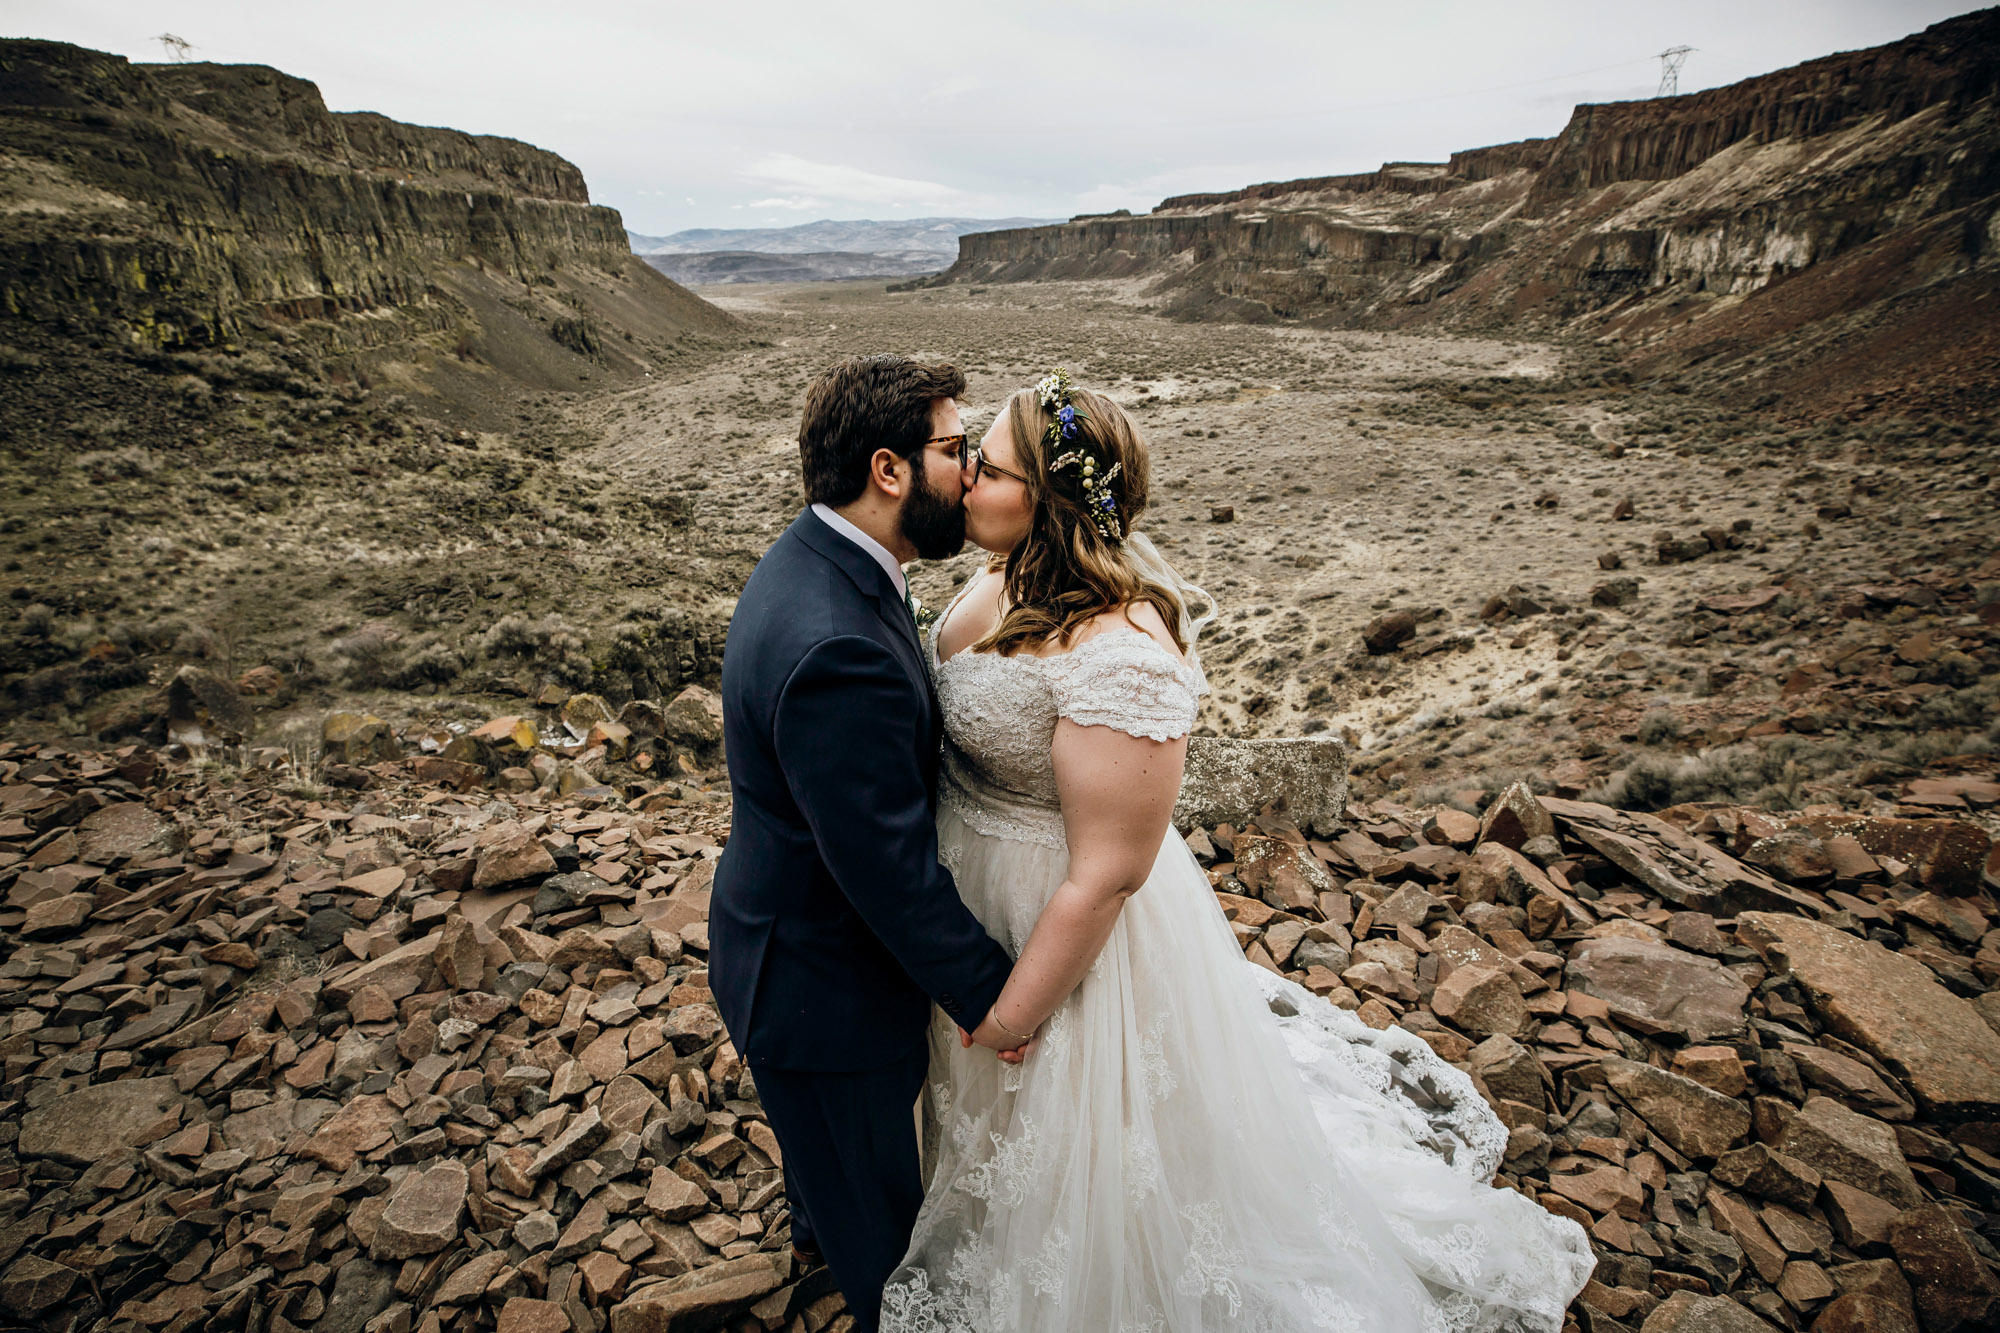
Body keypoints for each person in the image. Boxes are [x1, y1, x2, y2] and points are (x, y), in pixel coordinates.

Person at [880, 370, 1597, 1331]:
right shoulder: (1000, 571)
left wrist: (1012, 1010)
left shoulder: (1123, 648)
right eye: (971, 459)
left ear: (1049, 502)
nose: (965, 479)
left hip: (1057, 922)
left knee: (1084, 1137)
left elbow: (1109, 873)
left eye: (992, 468)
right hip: (972, 887)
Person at [710, 355, 1028, 1333]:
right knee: (885, 1239)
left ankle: (815, 1219)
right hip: (821, 996)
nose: (969, 470)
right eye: (952, 448)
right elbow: (883, 870)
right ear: (888, 472)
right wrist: (997, 999)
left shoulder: (826, 557)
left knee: (833, 1175)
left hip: (792, 950)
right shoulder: (836, 643)